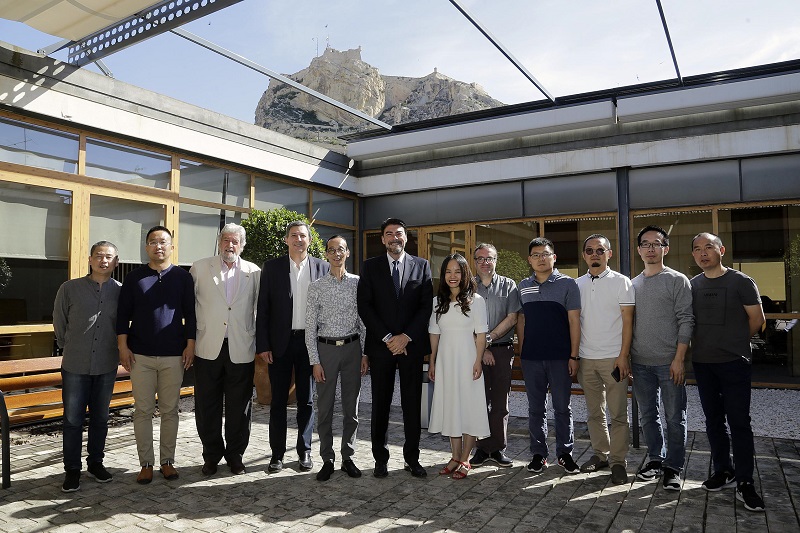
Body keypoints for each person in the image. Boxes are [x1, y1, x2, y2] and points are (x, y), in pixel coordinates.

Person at [690, 232, 766, 512]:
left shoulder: (741, 281)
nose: (703, 253)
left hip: (734, 362)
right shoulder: (693, 285)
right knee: (713, 421)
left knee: (739, 422)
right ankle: (724, 470)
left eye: (708, 247)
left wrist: (734, 342)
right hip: (703, 363)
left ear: (721, 250)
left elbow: (757, 319)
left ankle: (745, 481)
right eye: (697, 249)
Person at [117, 226, 196, 484]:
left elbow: (191, 315)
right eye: (153, 242)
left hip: (174, 355)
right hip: (140, 356)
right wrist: (123, 347)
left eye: (163, 242)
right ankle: (146, 463)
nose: (158, 246)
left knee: (170, 410)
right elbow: (122, 316)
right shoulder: (134, 278)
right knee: (143, 410)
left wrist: (190, 345)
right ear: (146, 247)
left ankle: (167, 461)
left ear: (171, 247)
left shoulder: (183, 278)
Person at [357, 217, 433, 478]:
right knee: (380, 404)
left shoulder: (422, 265)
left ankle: (412, 458)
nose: (394, 238)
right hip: (382, 347)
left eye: (398, 233)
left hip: (411, 346)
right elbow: (365, 306)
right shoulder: (370, 267)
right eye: (389, 234)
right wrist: (389, 337)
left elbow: (425, 306)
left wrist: (406, 337)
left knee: (412, 404)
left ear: (406, 237)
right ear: (382, 239)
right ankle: (380, 459)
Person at [256, 221, 329, 473]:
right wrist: (263, 344)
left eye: (303, 236)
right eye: (294, 235)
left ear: (310, 240)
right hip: (280, 344)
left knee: (306, 401)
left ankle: (304, 451)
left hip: (310, 343)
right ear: (286, 240)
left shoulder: (322, 267)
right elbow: (263, 308)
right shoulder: (272, 267)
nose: (298, 239)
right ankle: (276, 454)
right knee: (277, 401)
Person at [190, 223, 261, 476]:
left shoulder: (254, 272)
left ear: (242, 245)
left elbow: (260, 309)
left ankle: (235, 455)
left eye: (235, 241)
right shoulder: (199, 268)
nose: (230, 245)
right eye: (226, 240)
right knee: (206, 405)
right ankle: (211, 455)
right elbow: (188, 306)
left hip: (241, 346)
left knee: (239, 406)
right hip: (207, 345)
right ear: (219, 242)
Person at [54, 241, 122, 492]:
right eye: (99, 256)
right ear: (90, 259)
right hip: (75, 364)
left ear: (116, 262)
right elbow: (59, 322)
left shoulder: (121, 291)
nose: (104, 261)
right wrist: (69, 345)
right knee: (72, 420)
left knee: (101, 418)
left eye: (109, 257)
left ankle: (95, 463)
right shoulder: (69, 288)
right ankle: (72, 469)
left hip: (106, 364)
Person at [630, 226, 694, 491]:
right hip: (639, 363)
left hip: (670, 363)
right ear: (639, 250)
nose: (650, 249)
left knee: (675, 418)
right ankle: (656, 459)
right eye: (645, 244)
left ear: (665, 248)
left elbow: (686, 319)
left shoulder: (678, 280)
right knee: (648, 415)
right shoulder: (632, 284)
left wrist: (679, 359)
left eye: (656, 244)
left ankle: (673, 467)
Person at [305, 235, 368, 481]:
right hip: (326, 351)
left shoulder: (358, 284)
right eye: (331, 250)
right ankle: (327, 459)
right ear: (326, 255)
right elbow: (310, 328)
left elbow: (364, 323)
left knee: (351, 408)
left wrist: (365, 353)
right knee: (325, 409)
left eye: (340, 249)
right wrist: (315, 361)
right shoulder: (316, 287)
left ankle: (348, 457)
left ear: (347, 253)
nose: (336, 254)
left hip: (352, 349)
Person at [517, 237, 581, 475]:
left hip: (560, 357)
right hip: (531, 358)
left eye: (545, 254)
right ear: (529, 260)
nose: (540, 259)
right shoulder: (523, 286)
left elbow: (574, 321)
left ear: (554, 257)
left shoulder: (568, 284)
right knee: (536, 409)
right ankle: (538, 454)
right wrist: (522, 351)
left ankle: (565, 454)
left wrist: (574, 356)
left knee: (562, 407)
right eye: (536, 255)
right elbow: (521, 320)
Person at [575, 233, 635, 484]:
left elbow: (628, 322)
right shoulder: (576, 284)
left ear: (609, 254)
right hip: (586, 359)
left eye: (600, 250)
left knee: (618, 414)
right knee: (594, 412)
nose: (595, 254)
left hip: (613, 359)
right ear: (584, 256)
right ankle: (600, 454)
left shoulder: (622, 282)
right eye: (590, 250)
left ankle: (618, 462)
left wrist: (623, 356)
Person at [428, 254, 489, 479]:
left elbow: (481, 335)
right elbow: (434, 334)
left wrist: (478, 361)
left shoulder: (477, 301)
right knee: (451, 407)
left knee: (469, 407)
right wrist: (432, 361)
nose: (452, 276)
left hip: (468, 361)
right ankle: (454, 456)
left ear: (465, 274)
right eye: (448, 271)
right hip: (446, 362)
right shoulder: (437, 302)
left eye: (457, 271)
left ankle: (465, 458)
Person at [468, 243, 520, 469]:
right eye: (480, 259)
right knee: (479, 401)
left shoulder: (509, 285)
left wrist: (489, 339)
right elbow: (464, 320)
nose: (484, 262)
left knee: (500, 401)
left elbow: (512, 317)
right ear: (475, 262)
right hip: (474, 351)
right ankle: (480, 448)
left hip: (502, 350)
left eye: (489, 258)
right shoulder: (467, 286)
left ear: (496, 260)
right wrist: (482, 348)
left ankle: (497, 448)